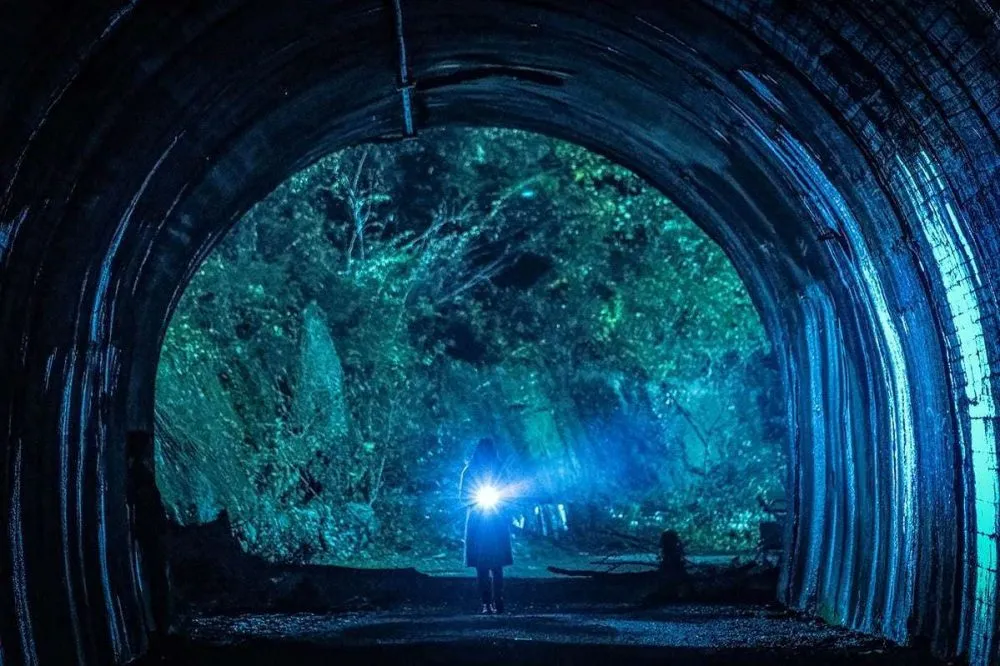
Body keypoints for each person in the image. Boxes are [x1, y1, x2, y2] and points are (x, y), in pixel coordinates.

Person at [460, 437, 513, 614]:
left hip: (496, 520)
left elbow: (508, 492)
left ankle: (498, 601)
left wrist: (503, 503)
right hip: (478, 520)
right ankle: (486, 603)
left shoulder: (499, 470)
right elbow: (463, 496)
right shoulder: (470, 471)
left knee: (496, 565)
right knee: (482, 565)